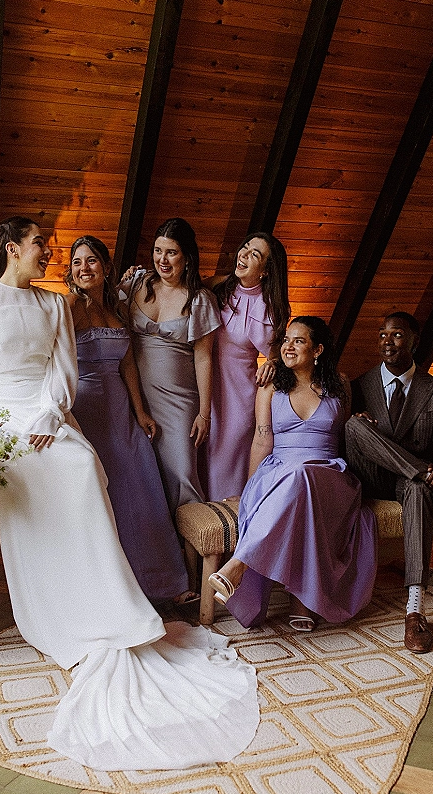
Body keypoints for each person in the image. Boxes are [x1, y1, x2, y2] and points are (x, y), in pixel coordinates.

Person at [0, 216, 258, 771]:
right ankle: (51, 612)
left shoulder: (54, 306)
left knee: (83, 463)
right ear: (13, 249)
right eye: (40, 244)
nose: (49, 252)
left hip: (42, 414)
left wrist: (48, 415)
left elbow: (62, 375)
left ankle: (111, 603)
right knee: (51, 477)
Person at [207, 316, 378, 631]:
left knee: (303, 475)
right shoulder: (271, 385)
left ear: (318, 349)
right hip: (280, 471)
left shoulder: (339, 384)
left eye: (298, 341)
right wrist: (248, 491)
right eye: (286, 340)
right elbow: (262, 439)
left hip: (329, 473)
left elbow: (344, 436)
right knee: (297, 479)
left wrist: (362, 420)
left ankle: (238, 565)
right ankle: (302, 600)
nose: (288, 346)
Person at [65, 235, 197, 606]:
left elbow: (127, 363)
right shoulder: (69, 305)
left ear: (106, 268)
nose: (84, 268)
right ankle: (111, 590)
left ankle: (163, 584)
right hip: (86, 407)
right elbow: (53, 360)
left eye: (92, 261)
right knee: (105, 495)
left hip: (121, 407)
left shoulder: (119, 308)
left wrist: (140, 411)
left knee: (142, 489)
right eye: (77, 262)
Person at [345, 311, 433, 654]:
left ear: (414, 341)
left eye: (396, 335)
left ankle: (414, 610)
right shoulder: (359, 387)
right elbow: (345, 442)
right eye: (382, 334)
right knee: (352, 425)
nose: (387, 341)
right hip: (371, 477)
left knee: (420, 487)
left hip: (410, 487)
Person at [122, 218, 221, 515]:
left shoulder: (199, 300)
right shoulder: (137, 282)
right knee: (140, 472)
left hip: (179, 400)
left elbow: (204, 358)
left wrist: (205, 412)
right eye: (157, 250)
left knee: (182, 473)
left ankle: (197, 549)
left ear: (187, 257)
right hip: (133, 394)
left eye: (171, 252)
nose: (162, 260)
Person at [204, 232, 291, 501]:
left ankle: (228, 534)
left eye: (255, 254)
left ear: (265, 271)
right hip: (203, 387)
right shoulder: (220, 287)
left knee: (223, 467)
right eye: (245, 247)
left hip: (238, 397)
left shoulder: (267, 307)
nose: (243, 254)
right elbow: (183, 285)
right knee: (201, 463)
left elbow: (277, 354)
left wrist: (273, 363)